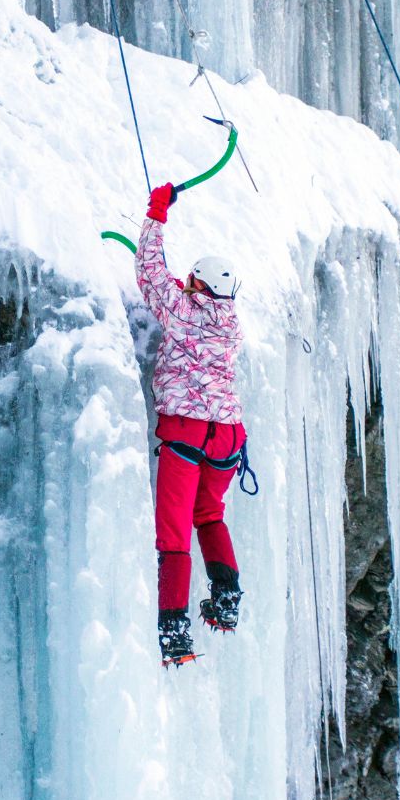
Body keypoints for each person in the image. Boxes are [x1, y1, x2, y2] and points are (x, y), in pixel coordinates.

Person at [136, 183, 247, 666]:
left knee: (174, 535)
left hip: (185, 431)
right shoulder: (232, 324)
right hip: (226, 437)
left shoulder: (181, 312)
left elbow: (149, 272)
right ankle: (226, 597)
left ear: (197, 284)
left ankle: (174, 630)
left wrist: (157, 212)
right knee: (210, 515)